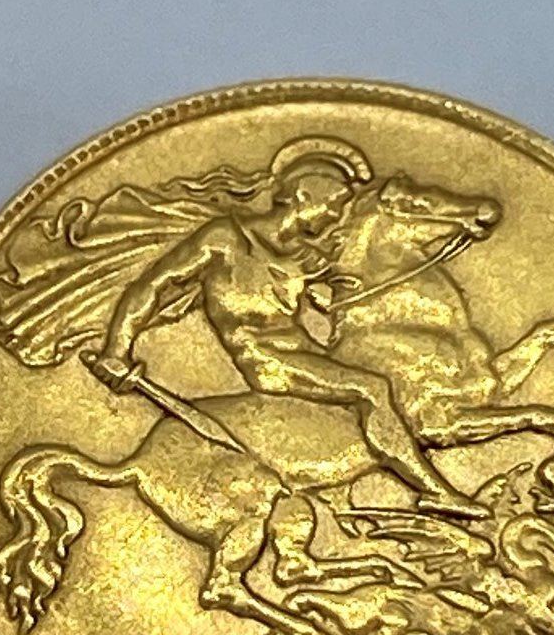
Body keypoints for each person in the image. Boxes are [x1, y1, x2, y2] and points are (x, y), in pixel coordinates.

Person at [89, 147, 487, 520]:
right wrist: (116, 348)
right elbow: (152, 287)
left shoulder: (302, 256)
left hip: (306, 352)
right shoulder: (225, 239)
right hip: (268, 361)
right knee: (371, 388)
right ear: (303, 194)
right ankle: (434, 491)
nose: (336, 215)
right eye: (333, 203)